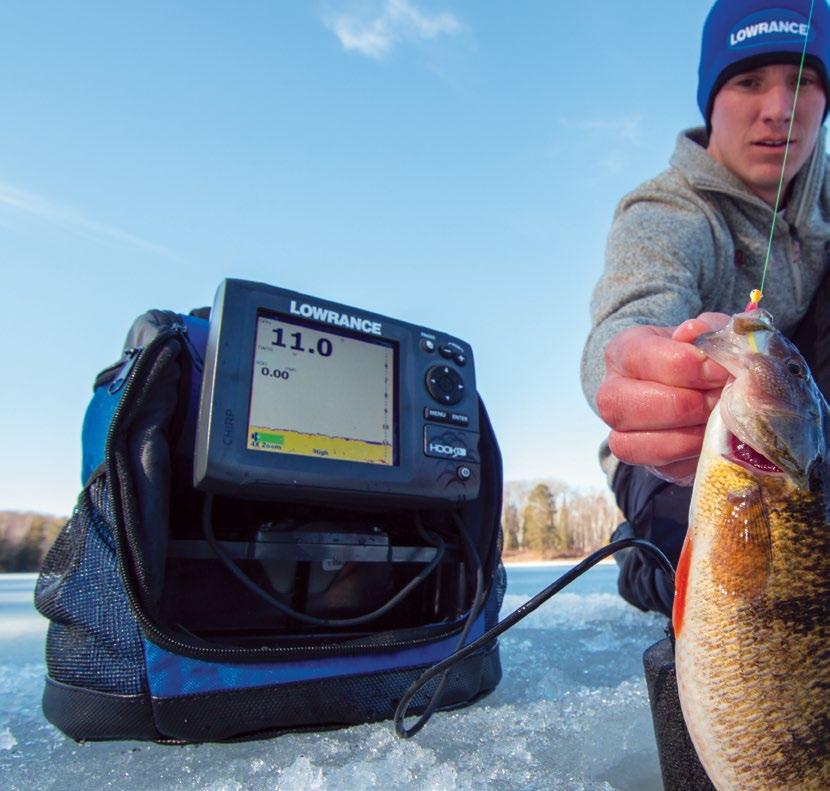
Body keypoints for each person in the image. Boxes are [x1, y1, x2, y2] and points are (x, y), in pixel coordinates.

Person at [581, 0, 830, 617]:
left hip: (808, 452)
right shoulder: (667, 212)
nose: (779, 108)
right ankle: (644, 553)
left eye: (802, 81)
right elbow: (629, 314)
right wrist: (647, 367)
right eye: (749, 81)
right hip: (680, 458)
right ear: (711, 100)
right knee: (681, 563)